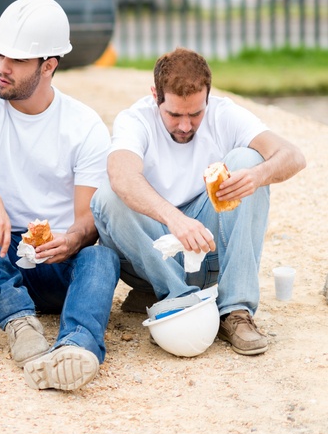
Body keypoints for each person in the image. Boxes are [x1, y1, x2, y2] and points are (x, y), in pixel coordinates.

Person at [0, 0, 120, 392]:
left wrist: (72, 239)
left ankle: (76, 348)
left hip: (54, 264)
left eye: (18, 60)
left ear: (49, 66)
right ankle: (16, 318)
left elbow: (86, 217)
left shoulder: (83, 125)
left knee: (101, 256)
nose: (3, 67)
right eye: (1, 54)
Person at [90, 47, 306, 355]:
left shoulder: (224, 113)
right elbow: (121, 176)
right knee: (108, 195)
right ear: (155, 95)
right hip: (152, 255)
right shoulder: (134, 119)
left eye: (195, 114)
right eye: (174, 114)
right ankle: (176, 300)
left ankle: (235, 311)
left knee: (248, 159)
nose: (186, 126)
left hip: (208, 252)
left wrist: (258, 175)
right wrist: (174, 219)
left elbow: (293, 156)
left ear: (208, 96)